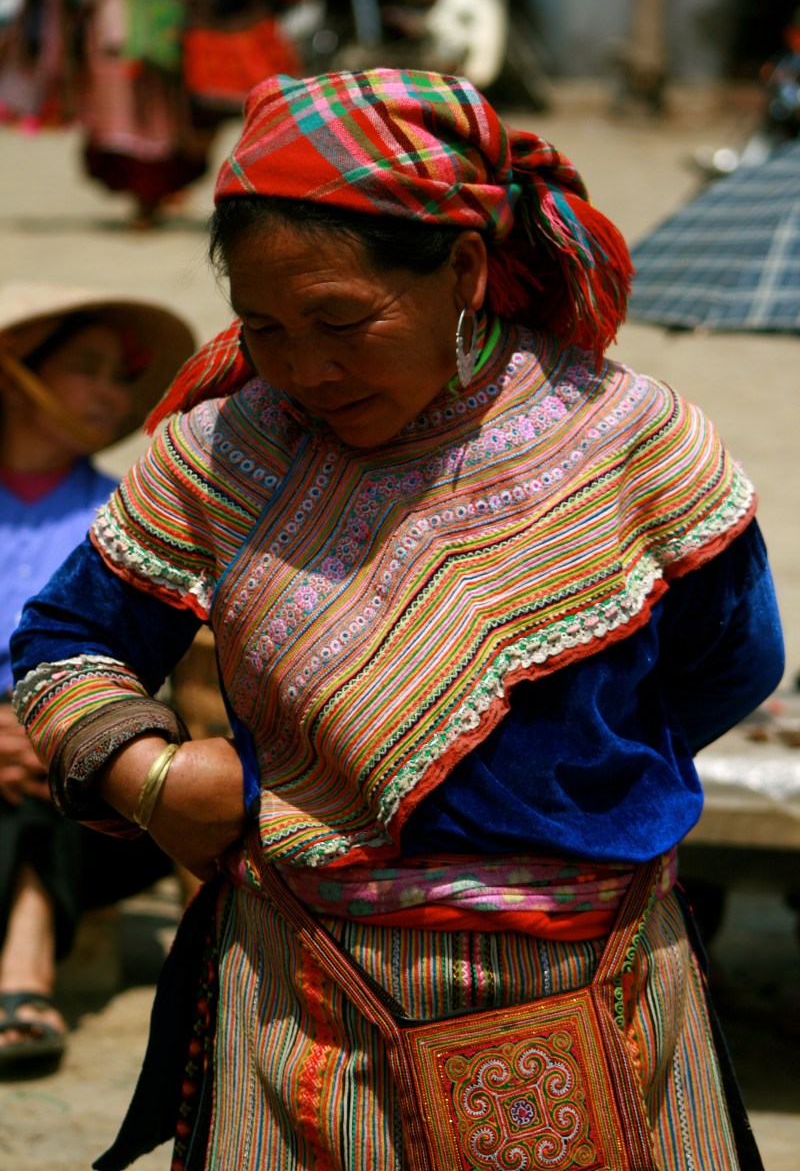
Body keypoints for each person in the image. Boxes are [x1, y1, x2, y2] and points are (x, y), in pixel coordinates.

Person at [10, 69, 784, 1169]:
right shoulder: (226, 453)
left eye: (342, 321)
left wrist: (558, 790)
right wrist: (149, 777)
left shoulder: (630, 444)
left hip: (594, 988)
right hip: (299, 1004)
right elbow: (64, 642)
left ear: (462, 270)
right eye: (264, 328)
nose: (305, 369)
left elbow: (728, 663)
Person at [0, 282, 195, 1071]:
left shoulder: (129, 516)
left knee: (51, 750)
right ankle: (23, 976)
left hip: (82, 792)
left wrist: (50, 725)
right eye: (88, 367)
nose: (111, 393)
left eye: (122, 377)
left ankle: (23, 965)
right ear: (16, 373)